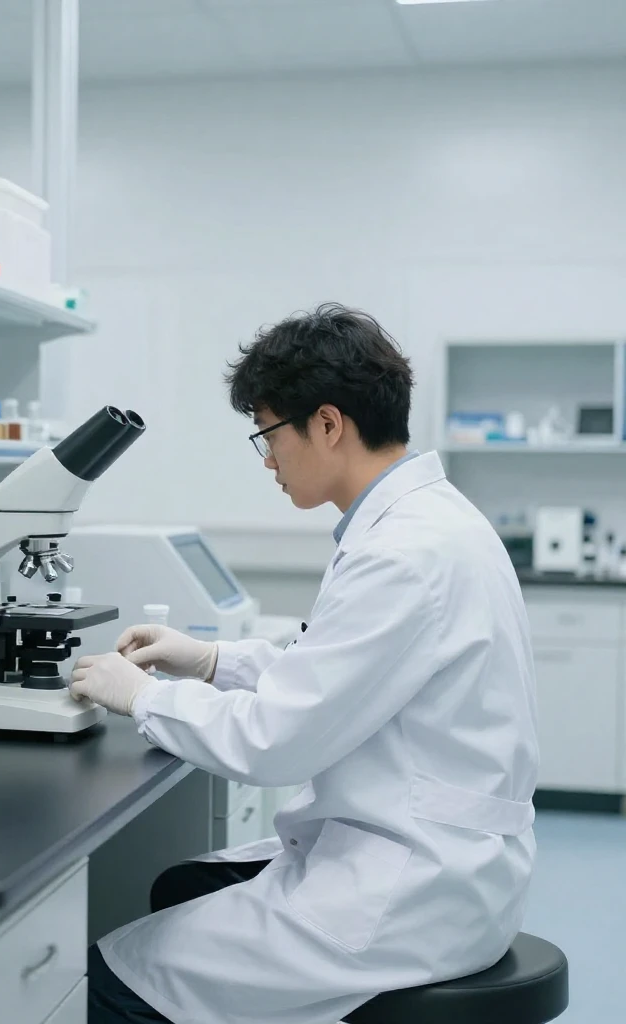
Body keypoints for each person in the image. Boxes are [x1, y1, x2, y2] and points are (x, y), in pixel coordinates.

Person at [71, 303, 539, 1024]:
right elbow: (341, 671)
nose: (267, 460)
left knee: (102, 981)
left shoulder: (403, 553)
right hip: (447, 856)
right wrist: (212, 660)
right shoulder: (430, 522)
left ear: (326, 424)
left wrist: (141, 696)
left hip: (412, 887)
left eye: (268, 434)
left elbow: (274, 741)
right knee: (181, 889)